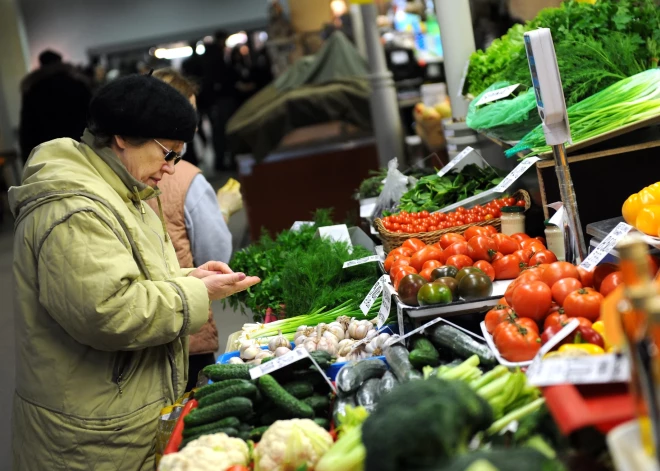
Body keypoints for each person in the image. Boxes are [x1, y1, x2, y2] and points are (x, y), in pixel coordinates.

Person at [9, 74, 260, 470]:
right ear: (123, 137)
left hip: (119, 418)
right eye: (167, 153)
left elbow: (132, 278)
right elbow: (107, 310)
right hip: (91, 438)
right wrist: (197, 295)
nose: (171, 168)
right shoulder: (73, 209)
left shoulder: (123, 188)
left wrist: (187, 278)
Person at [150, 68, 233, 390]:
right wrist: (222, 211)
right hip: (185, 327)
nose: (195, 125)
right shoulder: (186, 176)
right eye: (189, 115)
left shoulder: (115, 182)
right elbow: (216, 257)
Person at [18, 49, 92, 162]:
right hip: (79, 144)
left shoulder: (33, 89)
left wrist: (27, 159)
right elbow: (92, 115)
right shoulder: (77, 83)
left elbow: (27, 128)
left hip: (47, 151)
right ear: (60, 61)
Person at [202, 30, 238, 171]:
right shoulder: (216, 56)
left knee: (219, 132)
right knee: (222, 132)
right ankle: (222, 162)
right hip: (221, 100)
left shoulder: (212, 55)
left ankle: (221, 161)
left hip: (215, 100)